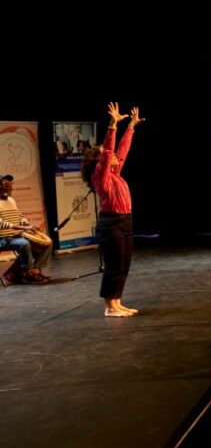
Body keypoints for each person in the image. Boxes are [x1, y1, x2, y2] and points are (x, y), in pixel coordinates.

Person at [81, 102, 142, 317]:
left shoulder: (116, 174)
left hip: (125, 222)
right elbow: (108, 152)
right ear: (100, 163)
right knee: (114, 266)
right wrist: (112, 126)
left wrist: (131, 127)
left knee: (123, 265)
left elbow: (121, 151)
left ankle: (116, 302)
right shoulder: (102, 177)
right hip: (111, 225)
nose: (114, 156)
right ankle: (109, 307)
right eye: (107, 157)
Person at [0, 175, 52, 285]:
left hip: (16, 235)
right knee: (24, 243)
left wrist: (24, 221)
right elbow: (1, 223)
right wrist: (25, 228)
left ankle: (35, 270)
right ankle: (26, 274)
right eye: (6, 186)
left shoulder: (11, 200)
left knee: (47, 243)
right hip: (3, 239)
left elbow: (19, 215)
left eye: (10, 185)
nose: (10, 188)